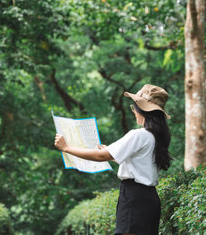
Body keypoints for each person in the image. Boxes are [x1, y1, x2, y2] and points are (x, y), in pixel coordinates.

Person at [54, 84, 173, 235]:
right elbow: (138, 163)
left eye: (134, 107)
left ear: (141, 109)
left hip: (134, 197)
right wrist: (111, 153)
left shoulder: (139, 135)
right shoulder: (156, 137)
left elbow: (102, 156)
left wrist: (66, 148)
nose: (133, 112)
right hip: (150, 199)